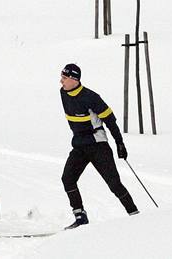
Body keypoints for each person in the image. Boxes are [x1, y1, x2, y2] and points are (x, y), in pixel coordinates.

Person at [59, 63, 139, 230]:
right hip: (79, 145)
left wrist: (119, 143)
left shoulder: (91, 97)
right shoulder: (63, 93)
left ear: (74, 79)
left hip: (97, 145)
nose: (61, 81)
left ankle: (134, 214)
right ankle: (80, 216)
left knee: (114, 184)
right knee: (68, 178)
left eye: (64, 78)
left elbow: (110, 120)